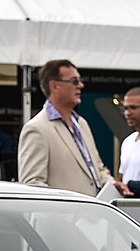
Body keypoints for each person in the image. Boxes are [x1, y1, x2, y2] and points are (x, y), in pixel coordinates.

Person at [19, 59, 108, 196]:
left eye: (80, 80)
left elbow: (98, 170)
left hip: (91, 214)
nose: (81, 85)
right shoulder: (36, 128)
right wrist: (67, 211)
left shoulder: (82, 123)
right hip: (60, 216)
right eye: (74, 81)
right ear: (54, 86)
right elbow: (32, 184)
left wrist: (113, 184)